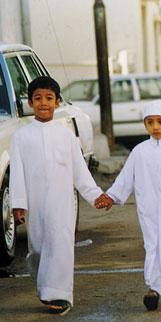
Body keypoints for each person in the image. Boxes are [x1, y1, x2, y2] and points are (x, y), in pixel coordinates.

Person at [10, 76, 107, 316]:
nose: (44, 103)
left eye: (49, 98)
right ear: (30, 103)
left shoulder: (66, 135)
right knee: (39, 250)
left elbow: (80, 172)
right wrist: (18, 205)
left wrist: (96, 196)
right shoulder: (21, 137)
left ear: (57, 102)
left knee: (60, 245)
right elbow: (18, 175)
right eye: (38, 98)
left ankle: (60, 295)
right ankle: (45, 284)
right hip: (36, 201)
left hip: (63, 202)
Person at [97, 100, 161, 311]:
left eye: (160, 122)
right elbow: (126, 178)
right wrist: (112, 196)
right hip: (149, 207)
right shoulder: (139, 151)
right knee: (152, 244)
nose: (155, 126)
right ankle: (153, 287)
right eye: (150, 122)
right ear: (145, 125)